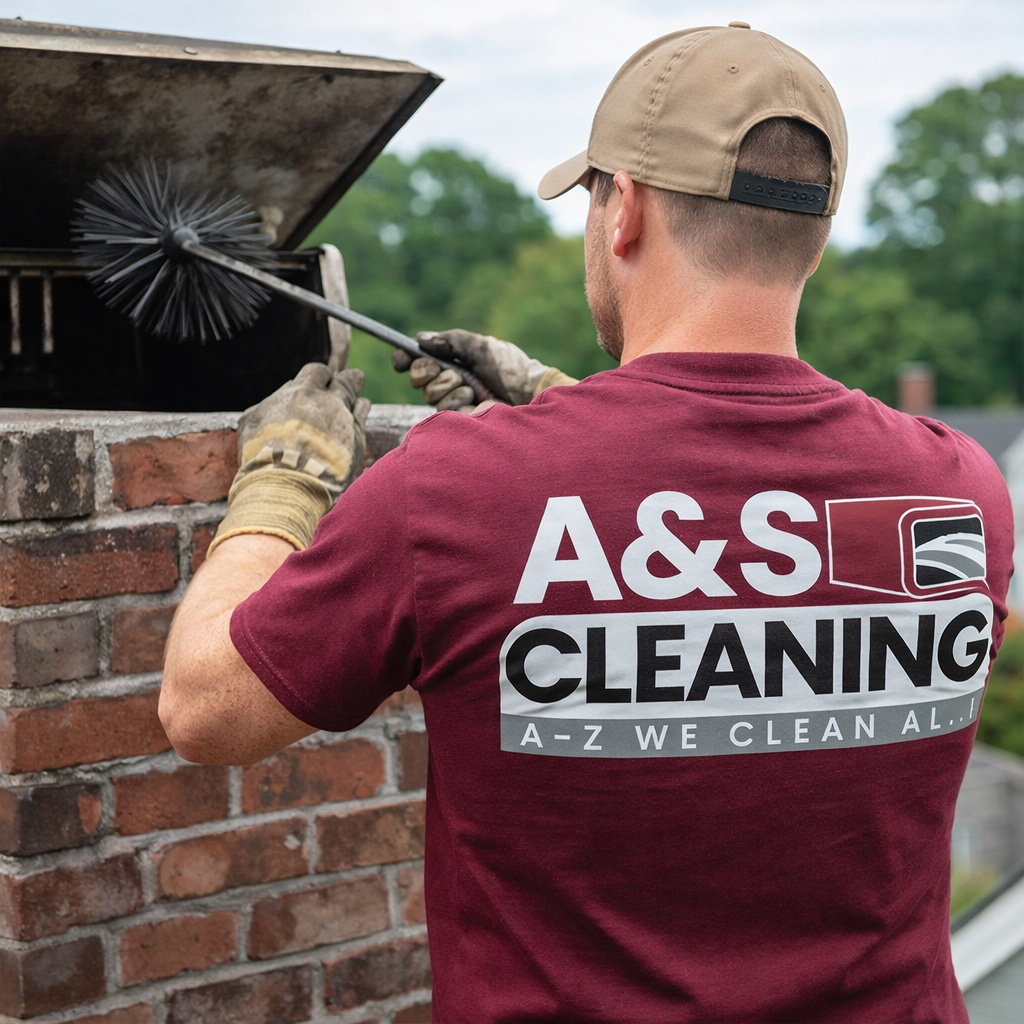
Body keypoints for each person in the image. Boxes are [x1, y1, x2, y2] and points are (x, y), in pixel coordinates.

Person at [161, 23, 1014, 1024]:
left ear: (627, 211)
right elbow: (763, 572)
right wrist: (558, 409)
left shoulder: (453, 495)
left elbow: (206, 709)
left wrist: (281, 480)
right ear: (817, 233)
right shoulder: (958, 491)